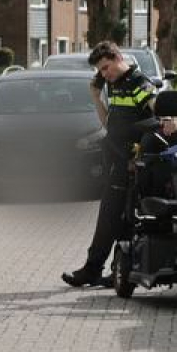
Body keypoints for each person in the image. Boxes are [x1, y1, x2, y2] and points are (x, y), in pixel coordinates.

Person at [63, 41, 157, 288]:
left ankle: (94, 270)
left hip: (132, 163)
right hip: (117, 159)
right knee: (122, 218)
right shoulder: (115, 85)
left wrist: (167, 119)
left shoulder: (138, 82)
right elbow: (109, 124)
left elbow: (155, 109)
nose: (104, 74)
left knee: (109, 217)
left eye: (106, 68)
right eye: (101, 71)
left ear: (117, 57)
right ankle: (117, 271)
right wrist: (96, 96)